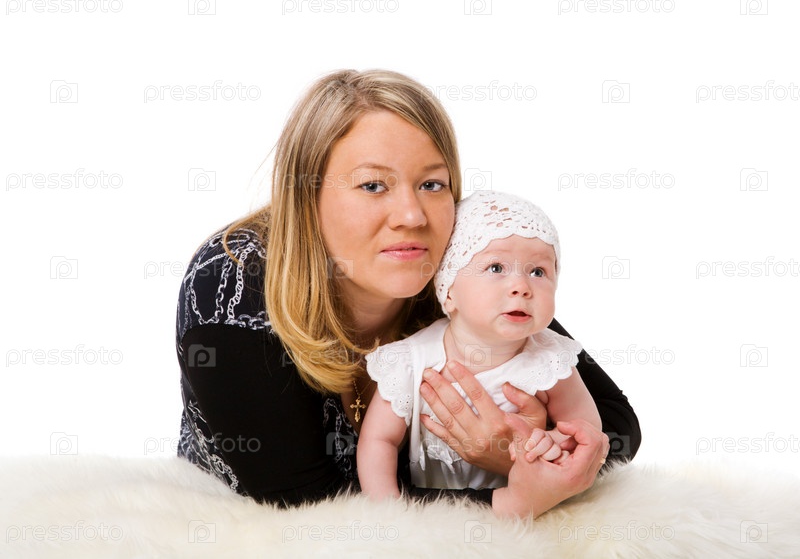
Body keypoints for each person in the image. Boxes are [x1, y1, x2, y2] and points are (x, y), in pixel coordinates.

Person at [175, 69, 641, 518]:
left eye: (432, 184)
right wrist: (513, 493)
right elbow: (309, 503)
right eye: (373, 185)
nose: (413, 216)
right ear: (306, 196)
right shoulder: (231, 285)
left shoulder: (453, 260)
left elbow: (617, 427)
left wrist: (512, 453)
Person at [358, 190, 602, 499]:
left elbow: (586, 432)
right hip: (434, 509)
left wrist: (553, 443)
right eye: (496, 268)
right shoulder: (412, 360)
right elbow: (379, 441)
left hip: (528, 508)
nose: (521, 287)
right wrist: (387, 509)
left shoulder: (549, 360)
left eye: (538, 272)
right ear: (449, 291)